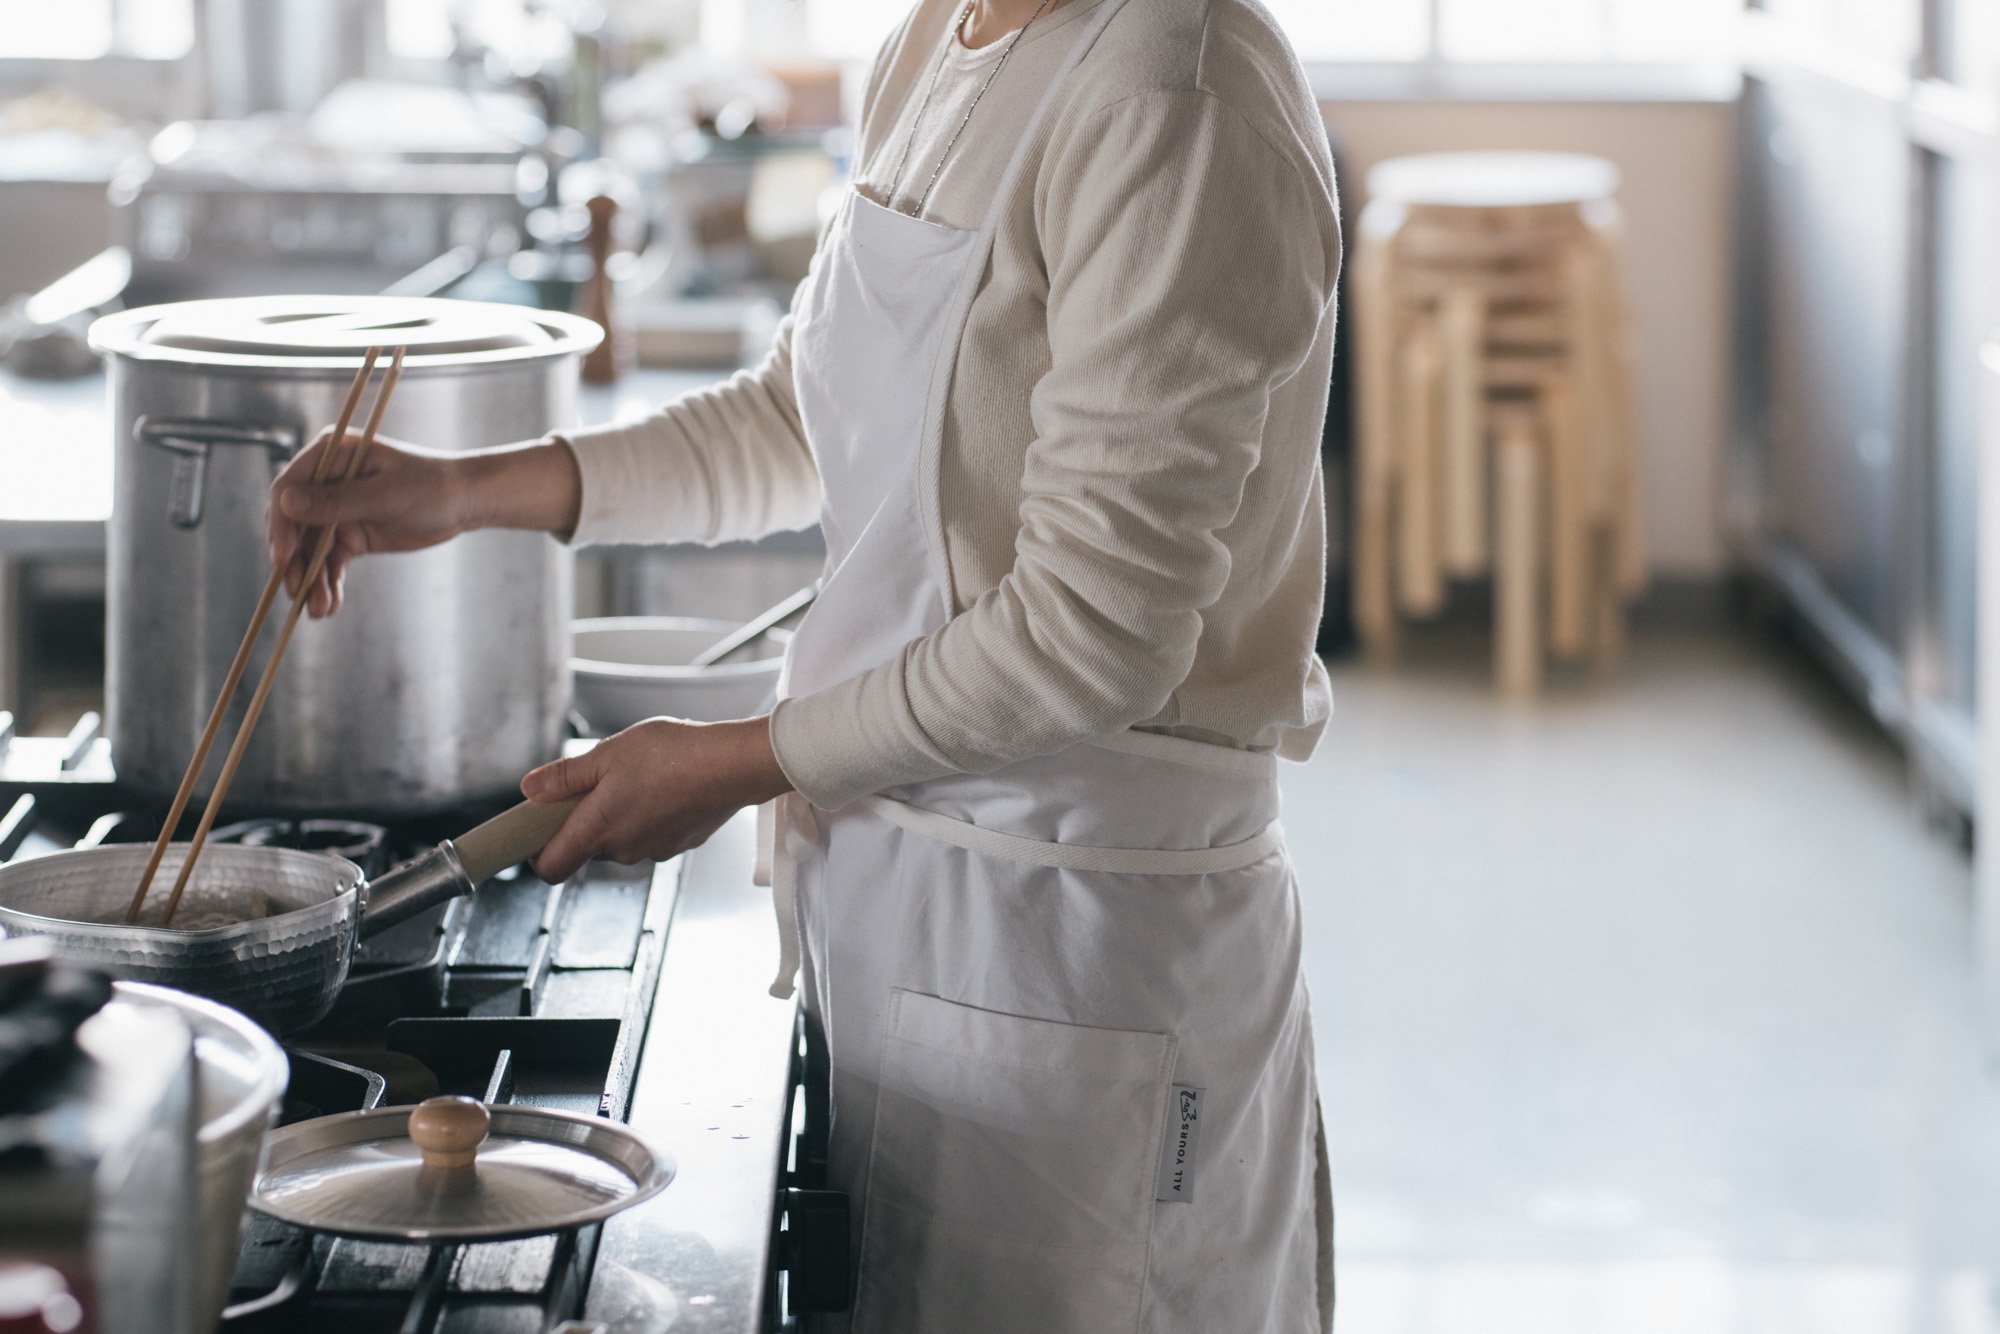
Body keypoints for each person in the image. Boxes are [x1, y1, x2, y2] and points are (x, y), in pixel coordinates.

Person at [269, 0, 1339, 1325]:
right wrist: (466, 489)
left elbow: (1093, 633)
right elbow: (799, 411)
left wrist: (730, 761)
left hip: (1086, 941)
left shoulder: (1179, 89)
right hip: (905, 901)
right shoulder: (934, 42)